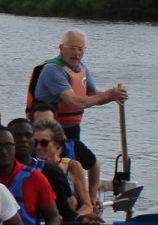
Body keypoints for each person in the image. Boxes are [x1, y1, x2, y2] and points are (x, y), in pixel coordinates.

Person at [26, 28, 127, 197]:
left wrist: (115, 96)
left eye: (81, 49)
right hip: (48, 131)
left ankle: (87, 197)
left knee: (77, 164)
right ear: (61, 48)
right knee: (55, 166)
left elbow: (93, 94)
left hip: (72, 129)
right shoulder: (53, 70)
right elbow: (75, 102)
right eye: (72, 48)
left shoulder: (81, 69)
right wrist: (109, 95)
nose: (77, 53)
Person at [0, 119, 60, 225]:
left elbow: (54, 217)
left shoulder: (35, 177)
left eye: (9, 146)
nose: (4, 151)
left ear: (14, 147)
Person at [32, 120, 101, 225]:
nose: (38, 147)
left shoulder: (72, 166)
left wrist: (76, 218)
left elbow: (87, 206)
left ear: (57, 144)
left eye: (44, 143)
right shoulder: (29, 167)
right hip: (39, 223)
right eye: (35, 143)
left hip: (66, 224)